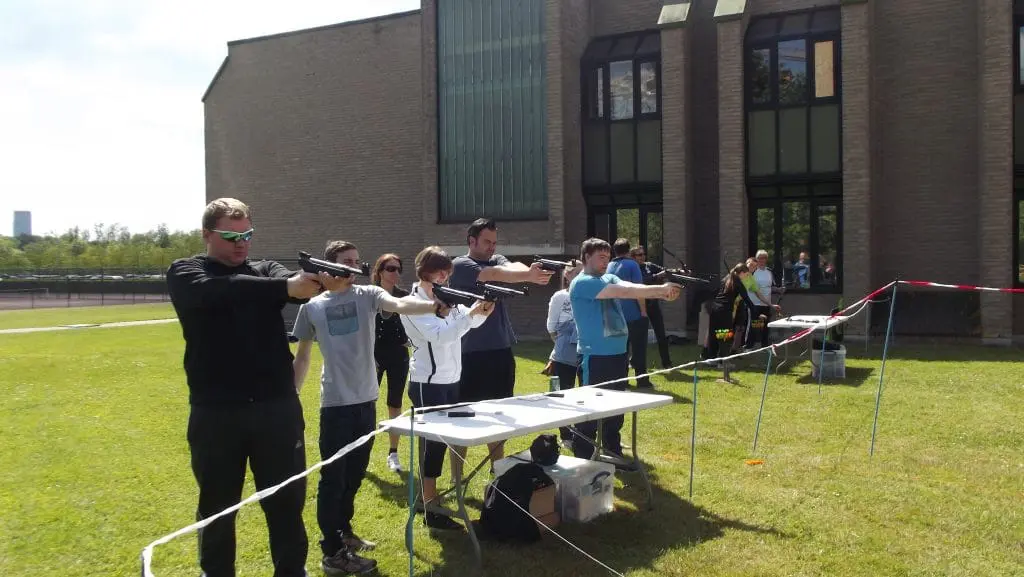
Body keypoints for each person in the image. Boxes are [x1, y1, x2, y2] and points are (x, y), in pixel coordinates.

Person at [166, 197, 322, 577]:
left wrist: (317, 281)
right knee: (217, 508)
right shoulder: (186, 272)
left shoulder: (266, 269)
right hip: (217, 412)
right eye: (231, 236)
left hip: (276, 409)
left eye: (247, 235)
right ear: (206, 234)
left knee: (286, 504)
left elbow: (286, 282)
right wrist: (286, 287)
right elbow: (221, 291)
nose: (241, 244)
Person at [291, 240, 448, 576]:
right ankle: (332, 552)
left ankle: (344, 532)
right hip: (335, 404)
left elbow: (399, 303)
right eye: (347, 261)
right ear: (328, 266)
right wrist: (293, 396)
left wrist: (433, 306)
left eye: (357, 261)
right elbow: (302, 357)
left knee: (354, 474)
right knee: (333, 479)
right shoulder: (312, 307)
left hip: (366, 402)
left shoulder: (368, 296)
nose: (354, 267)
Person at [400, 246, 494, 531]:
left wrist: (482, 311)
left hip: (451, 380)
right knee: (433, 445)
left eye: (447, 272)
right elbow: (439, 336)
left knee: (442, 443)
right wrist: (468, 316)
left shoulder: (446, 296)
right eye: (439, 271)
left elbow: (469, 322)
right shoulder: (412, 303)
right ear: (424, 271)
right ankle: (429, 505)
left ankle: (431, 500)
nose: (444, 276)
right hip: (427, 382)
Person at [449, 218, 553, 466]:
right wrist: (528, 275)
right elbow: (494, 274)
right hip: (469, 353)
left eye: (495, 242)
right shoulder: (461, 265)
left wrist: (528, 272)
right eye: (487, 242)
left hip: (500, 350)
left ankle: (497, 471)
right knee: (463, 416)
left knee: (500, 414)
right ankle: (457, 478)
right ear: (471, 241)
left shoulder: (496, 258)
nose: (492, 247)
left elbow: (511, 266)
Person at [569, 238, 681, 461]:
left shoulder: (607, 277)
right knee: (590, 409)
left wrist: (660, 293)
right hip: (595, 355)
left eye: (608, 258)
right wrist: (660, 290)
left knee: (615, 408)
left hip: (618, 354)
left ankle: (613, 450)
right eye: (601, 257)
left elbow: (632, 287)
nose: (605, 262)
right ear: (586, 257)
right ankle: (583, 457)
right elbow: (623, 292)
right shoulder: (583, 282)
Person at [371, 253, 410, 474]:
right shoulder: (370, 295)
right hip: (373, 355)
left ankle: (393, 453)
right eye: (391, 268)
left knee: (395, 403)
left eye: (398, 269)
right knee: (367, 403)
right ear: (379, 271)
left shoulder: (404, 296)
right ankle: (360, 451)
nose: (396, 273)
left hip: (398, 356)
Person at [701, 263, 780, 363]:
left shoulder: (726, 279)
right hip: (724, 311)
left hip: (714, 309)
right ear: (741, 273)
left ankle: (711, 359)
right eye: (746, 275)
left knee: (714, 335)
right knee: (725, 337)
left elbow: (715, 293)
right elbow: (748, 301)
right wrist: (758, 314)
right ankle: (721, 362)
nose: (746, 277)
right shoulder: (738, 283)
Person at [545, 261, 583, 448]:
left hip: (586, 350)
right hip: (563, 352)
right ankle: (566, 435)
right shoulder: (560, 296)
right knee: (562, 394)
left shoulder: (591, 293)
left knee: (586, 393)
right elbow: (551, 326)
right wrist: (562, 344)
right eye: (577, 272)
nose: (582, 275)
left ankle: (584, 433)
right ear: (567, 275)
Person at [606, 239, 651, 389]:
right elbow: (638, 290)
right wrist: (643, 311)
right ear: (628, 251)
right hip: (634, 315)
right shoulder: (632, 265)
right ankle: (642, 380)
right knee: (639, 349)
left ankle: (621, 380)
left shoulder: (609, 266)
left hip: (616, 315)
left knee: (621, 350)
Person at [630, 246, 673, 369]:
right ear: (633, 257)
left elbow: (665, 271)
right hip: (640, 306)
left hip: (653, 304)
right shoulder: (633, 268)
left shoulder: (649, 265)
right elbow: (641, 282)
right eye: (639, 255)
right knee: (637, 337)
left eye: (643, 254)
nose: (642, 257)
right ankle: (634, 361)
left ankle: (666, 363)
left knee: (661, 334)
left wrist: (679, 272)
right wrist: (657, 276)